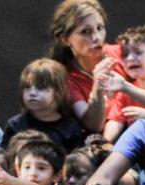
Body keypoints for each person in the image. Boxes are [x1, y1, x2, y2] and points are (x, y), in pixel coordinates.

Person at [47, 0, 126, 133]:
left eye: (100, 28)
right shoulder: (66, 79)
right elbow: (94, 125)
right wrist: (98, 85)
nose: (97, 37)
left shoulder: (123, 54)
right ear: (66, 39)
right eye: (85, 32)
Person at [1, 59, 83, 154]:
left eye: (40, 88)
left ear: (58, 91)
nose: (32, 93)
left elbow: (73, 163)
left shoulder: (70, 128)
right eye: (27, 87)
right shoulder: (15, 124)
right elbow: (4, 157)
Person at [100, 26, 145, 142]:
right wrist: (103, 143)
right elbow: (115, 121)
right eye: (124, 54)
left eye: (138, 52)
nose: (129, 58)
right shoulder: (123, 93)